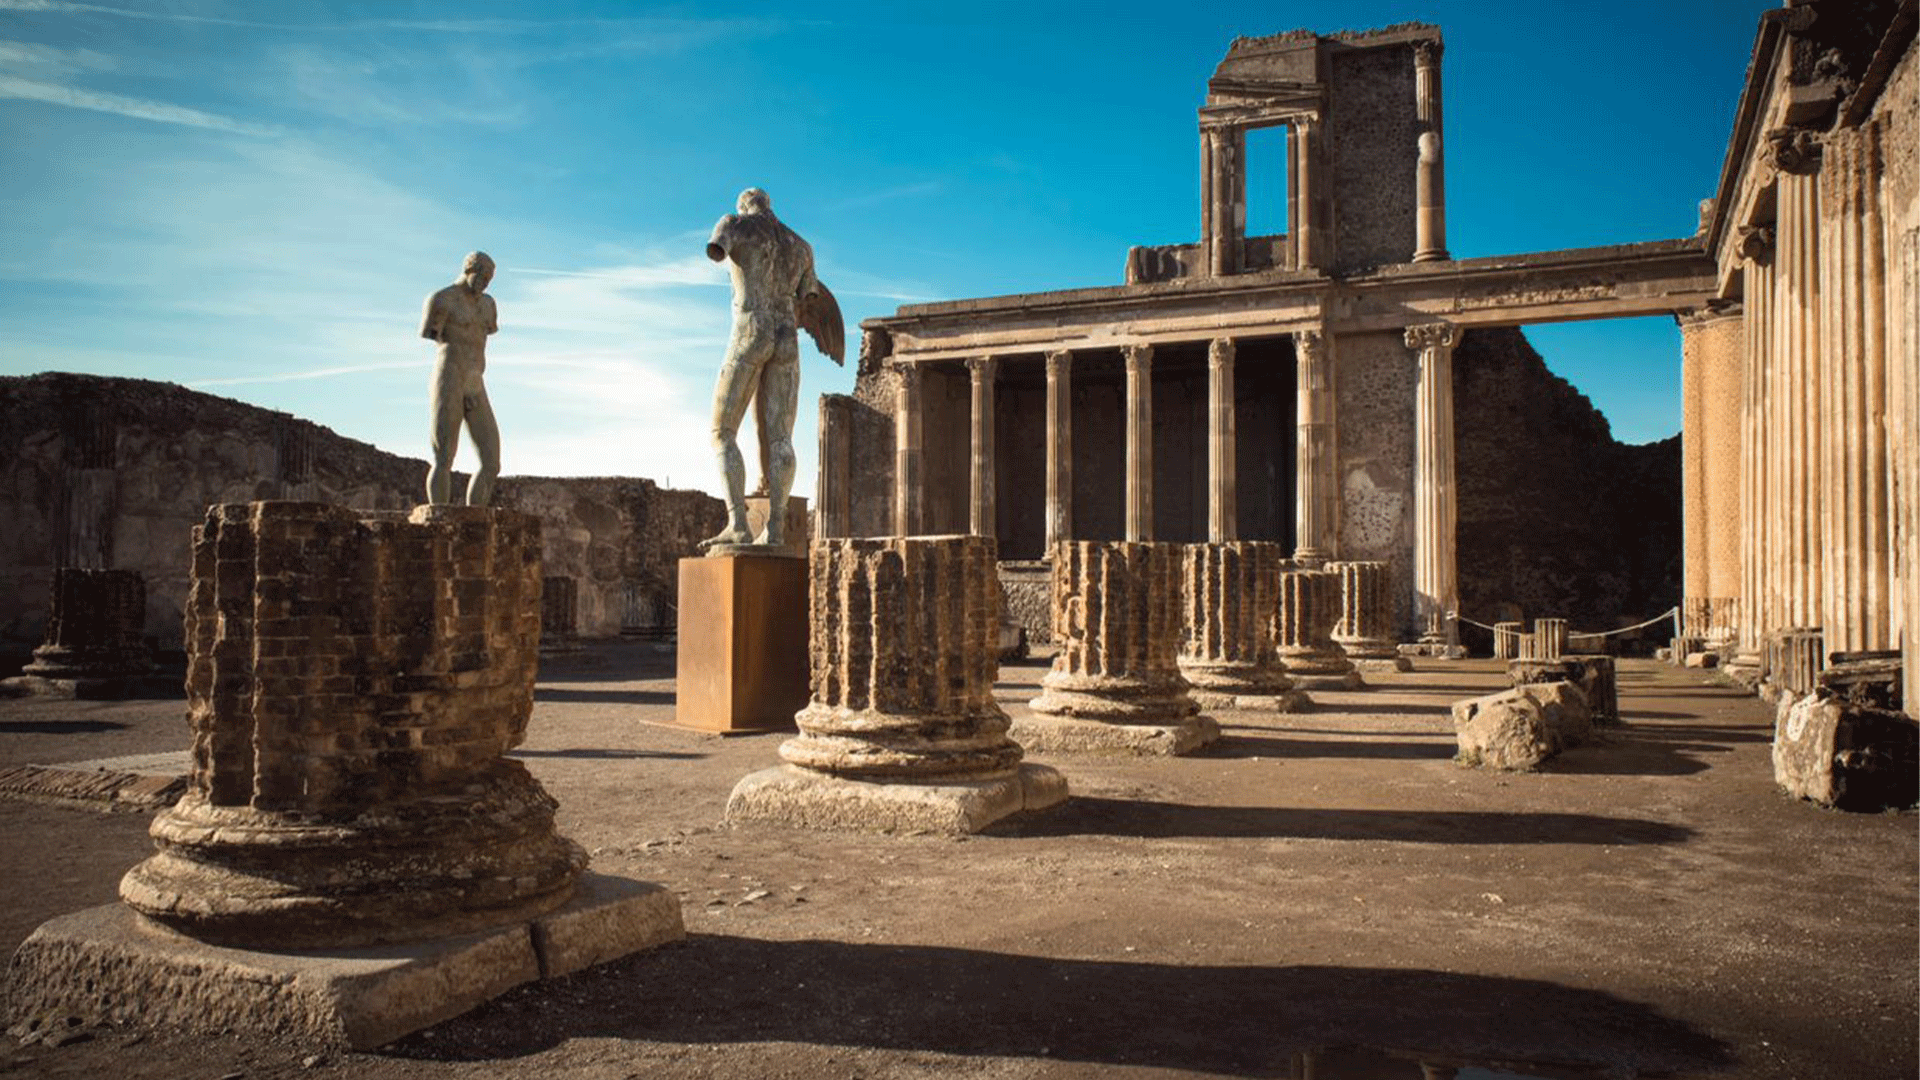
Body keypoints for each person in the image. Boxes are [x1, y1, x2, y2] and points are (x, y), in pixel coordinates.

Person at [700, 188, 842, 549]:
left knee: (721, 431)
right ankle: (776, 527)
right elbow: (808, 299)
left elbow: (716, 249)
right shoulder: (801, 246)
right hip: (786, 340)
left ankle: (738, 524)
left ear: (744, 205)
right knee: (781, 438)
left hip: (750, 331)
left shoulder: (734, 223)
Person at [420, 251, 500, 506]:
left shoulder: (488, 305)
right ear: (468, 269)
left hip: (476, 383)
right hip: (449, 378)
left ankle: (475, 520)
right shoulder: (442, 300)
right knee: (444, 455)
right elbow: (432, 333)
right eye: (482, 275)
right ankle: (438, 520)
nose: (485, 282)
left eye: (489, 278)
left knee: (491, 461)